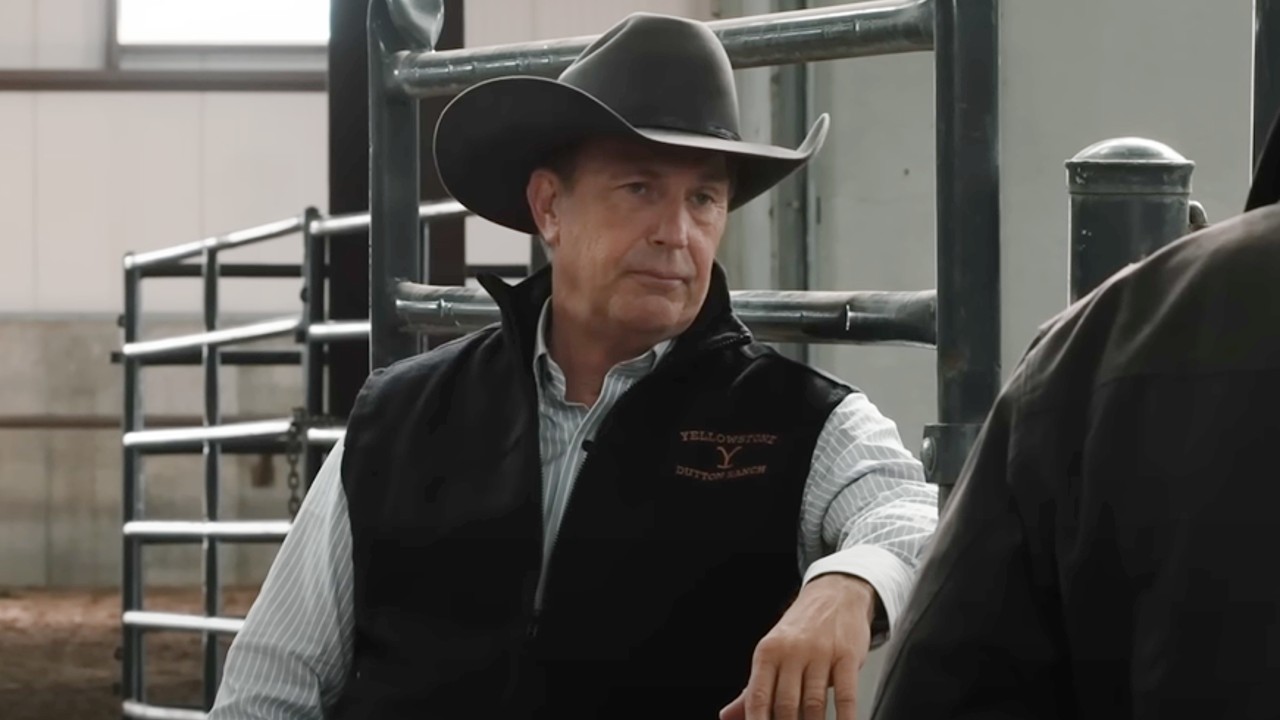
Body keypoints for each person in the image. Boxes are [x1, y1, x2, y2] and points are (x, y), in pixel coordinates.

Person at [210, 12, 937, 720]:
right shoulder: (398, 417)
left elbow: (913, 510)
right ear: (549, 207)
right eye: (640, 188)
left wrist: (847, 583)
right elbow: (272, 684)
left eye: (704, 198)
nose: (676, 233)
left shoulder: (802, 420)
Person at [869, 114, 1280, 718]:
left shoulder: (1107, 337)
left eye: (705, 196)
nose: (676, 235)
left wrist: (856, 573)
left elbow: (947, 683)